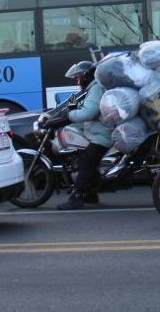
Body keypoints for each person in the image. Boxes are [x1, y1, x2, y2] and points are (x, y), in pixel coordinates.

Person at [56, 60, 113, 210]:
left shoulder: (96, 89)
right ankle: (91, 194)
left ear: (86, 76)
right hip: (97, 131)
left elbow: (89, 111)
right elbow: (76, 102)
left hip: (102, 134)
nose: (77, 80)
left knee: (86, 162)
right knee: (85, 159)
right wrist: (62, 110)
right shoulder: (89, 89)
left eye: (78, 77)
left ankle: (77, 198)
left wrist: (69, 116)